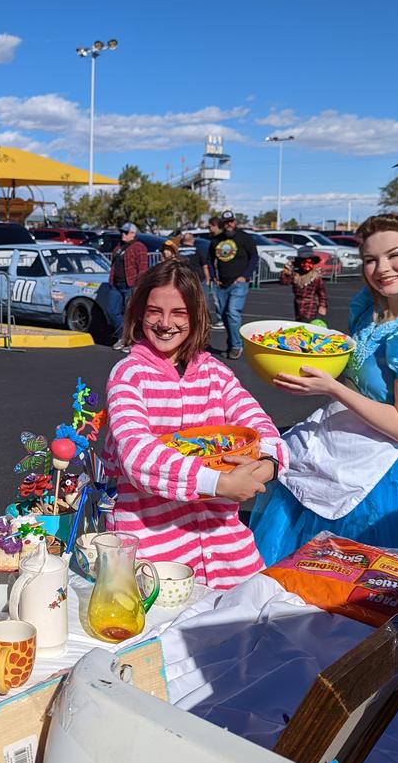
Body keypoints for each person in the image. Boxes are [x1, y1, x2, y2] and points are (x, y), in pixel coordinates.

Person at [248, 212, 398, 572]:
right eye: (371, 259)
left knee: (376, 577)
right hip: (345, 448)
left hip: (396, 469)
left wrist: (331, 388)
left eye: (395, 255)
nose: (382, 268)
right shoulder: (370, 312)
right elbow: (362, 385)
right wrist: (313, 371)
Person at [101, 260, 286, 589]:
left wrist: (267, 466)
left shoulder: (215, 373)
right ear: (139, 313)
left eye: (179, 313)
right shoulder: (128, 375)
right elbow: (137, 455)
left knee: (255, 607)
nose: (165, 324)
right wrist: (220, 484)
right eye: (154, 311)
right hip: (155, 545)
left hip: (224, 539)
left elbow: (260, 426)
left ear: (196, 315)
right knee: (164, 620)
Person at [210, 210, 259, 359]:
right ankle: (232, 344)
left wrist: (245, 276)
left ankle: (236, 346)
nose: (229, 224)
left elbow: (254, 257)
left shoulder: (244, 237)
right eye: (226, 222)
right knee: (225, 316)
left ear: (235, 222)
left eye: (231, 221)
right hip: (222, 284)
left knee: (232, 312)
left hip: (238, 283)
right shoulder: (216, 240)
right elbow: (209, 259)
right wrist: (213, 277)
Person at [106, 221, 148, 346]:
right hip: (116, 285)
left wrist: (139, 286)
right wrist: (111, 281)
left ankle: (131, 340)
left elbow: (143, 268)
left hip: (130, 285)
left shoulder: (139, 247)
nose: (122, 235)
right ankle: (123, 336)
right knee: (112, 311)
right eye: (122, 232)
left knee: (131, 313)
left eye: (125, 232)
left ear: (133, 234)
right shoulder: (118, 248)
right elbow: (113, 266)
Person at [279, 247, 328, 324]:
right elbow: (285, 282)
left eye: (309, 262)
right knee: (300, 323)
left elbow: (322, 292)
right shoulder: (296, 275)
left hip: (310, 307)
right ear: (299, 262)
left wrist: (322, 305)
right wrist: (286, 272)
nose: (307, 264)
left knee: (307, 324)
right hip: (298, 307)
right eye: (304, 262)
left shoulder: (315, 276)